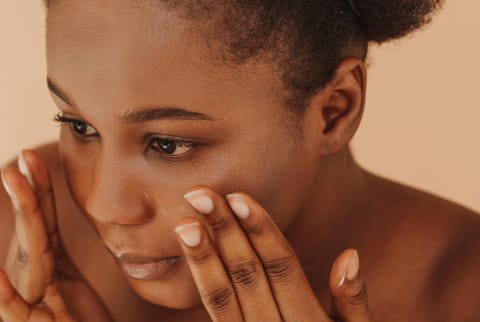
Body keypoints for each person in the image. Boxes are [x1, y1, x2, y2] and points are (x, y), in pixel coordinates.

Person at [1, 0, 479, 321]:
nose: (105, 205)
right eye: (79, 126)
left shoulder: (462, 293)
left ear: (334, 111)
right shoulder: (22, 240)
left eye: (167, 144)